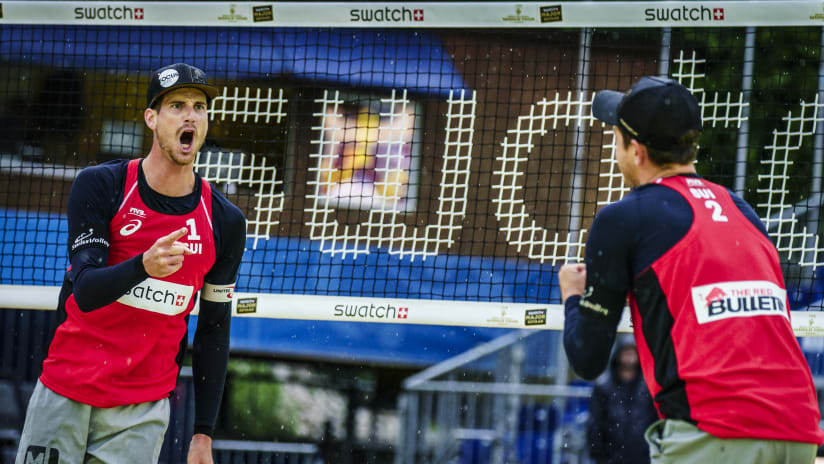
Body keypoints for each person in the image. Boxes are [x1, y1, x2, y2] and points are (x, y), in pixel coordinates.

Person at [559, 76, 824, 463]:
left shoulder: (622, 219)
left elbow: (587, 358)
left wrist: (573, 295)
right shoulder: (742, 211)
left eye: (616, 138)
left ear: (636, 151)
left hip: (715, 434)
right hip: (799, 431)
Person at [15, 63, 246, 464]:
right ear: (152, 119)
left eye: (199, 106)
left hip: (140, 412)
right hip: (65, 391)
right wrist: (143, 266)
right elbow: (85, 290)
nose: (190, 115)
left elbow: (213, 329)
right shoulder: (102, 185)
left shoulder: (224, 221)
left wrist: (203, 434)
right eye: (177, 105)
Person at [587, 342, 658, 464]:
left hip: (643, 456)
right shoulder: (603, 386)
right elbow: (595, 423)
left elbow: (654, 419)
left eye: (632, 353)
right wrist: (598, 454)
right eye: (626, 353)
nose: (629, 358)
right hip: (611, 456)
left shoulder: (648, 386)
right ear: (618, 355)